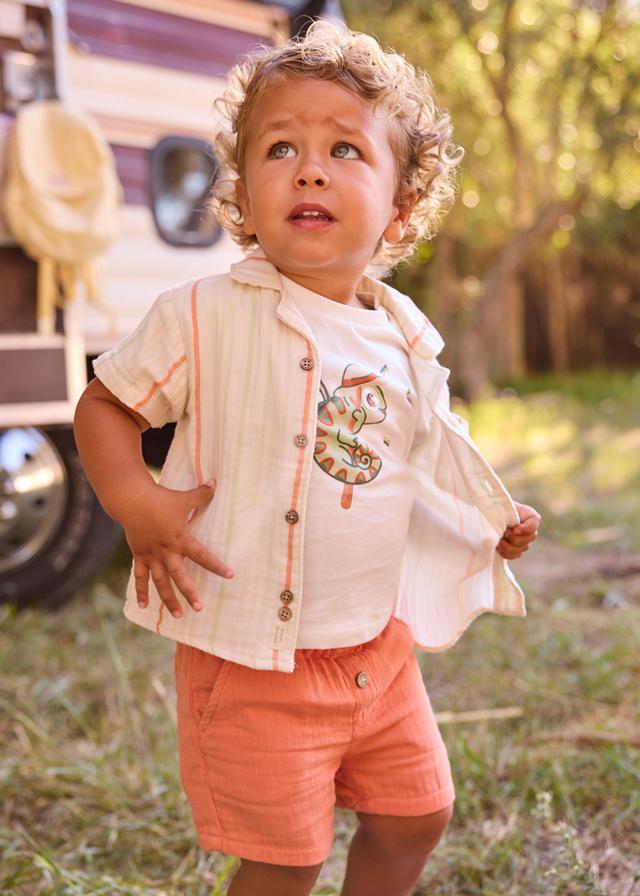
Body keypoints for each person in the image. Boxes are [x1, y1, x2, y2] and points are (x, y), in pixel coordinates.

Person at [73, 19, 540, 896]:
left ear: (400, 209)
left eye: (344, 150)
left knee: (416, 816)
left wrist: (491, 521)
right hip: (252, 664)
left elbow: (427, 460)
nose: (310, 169)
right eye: (280, 148)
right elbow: (104, 405)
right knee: (286, 861)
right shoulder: (203, 314)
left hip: (376, 653)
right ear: (244, 197)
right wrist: (135, 500)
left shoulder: (405, 339)